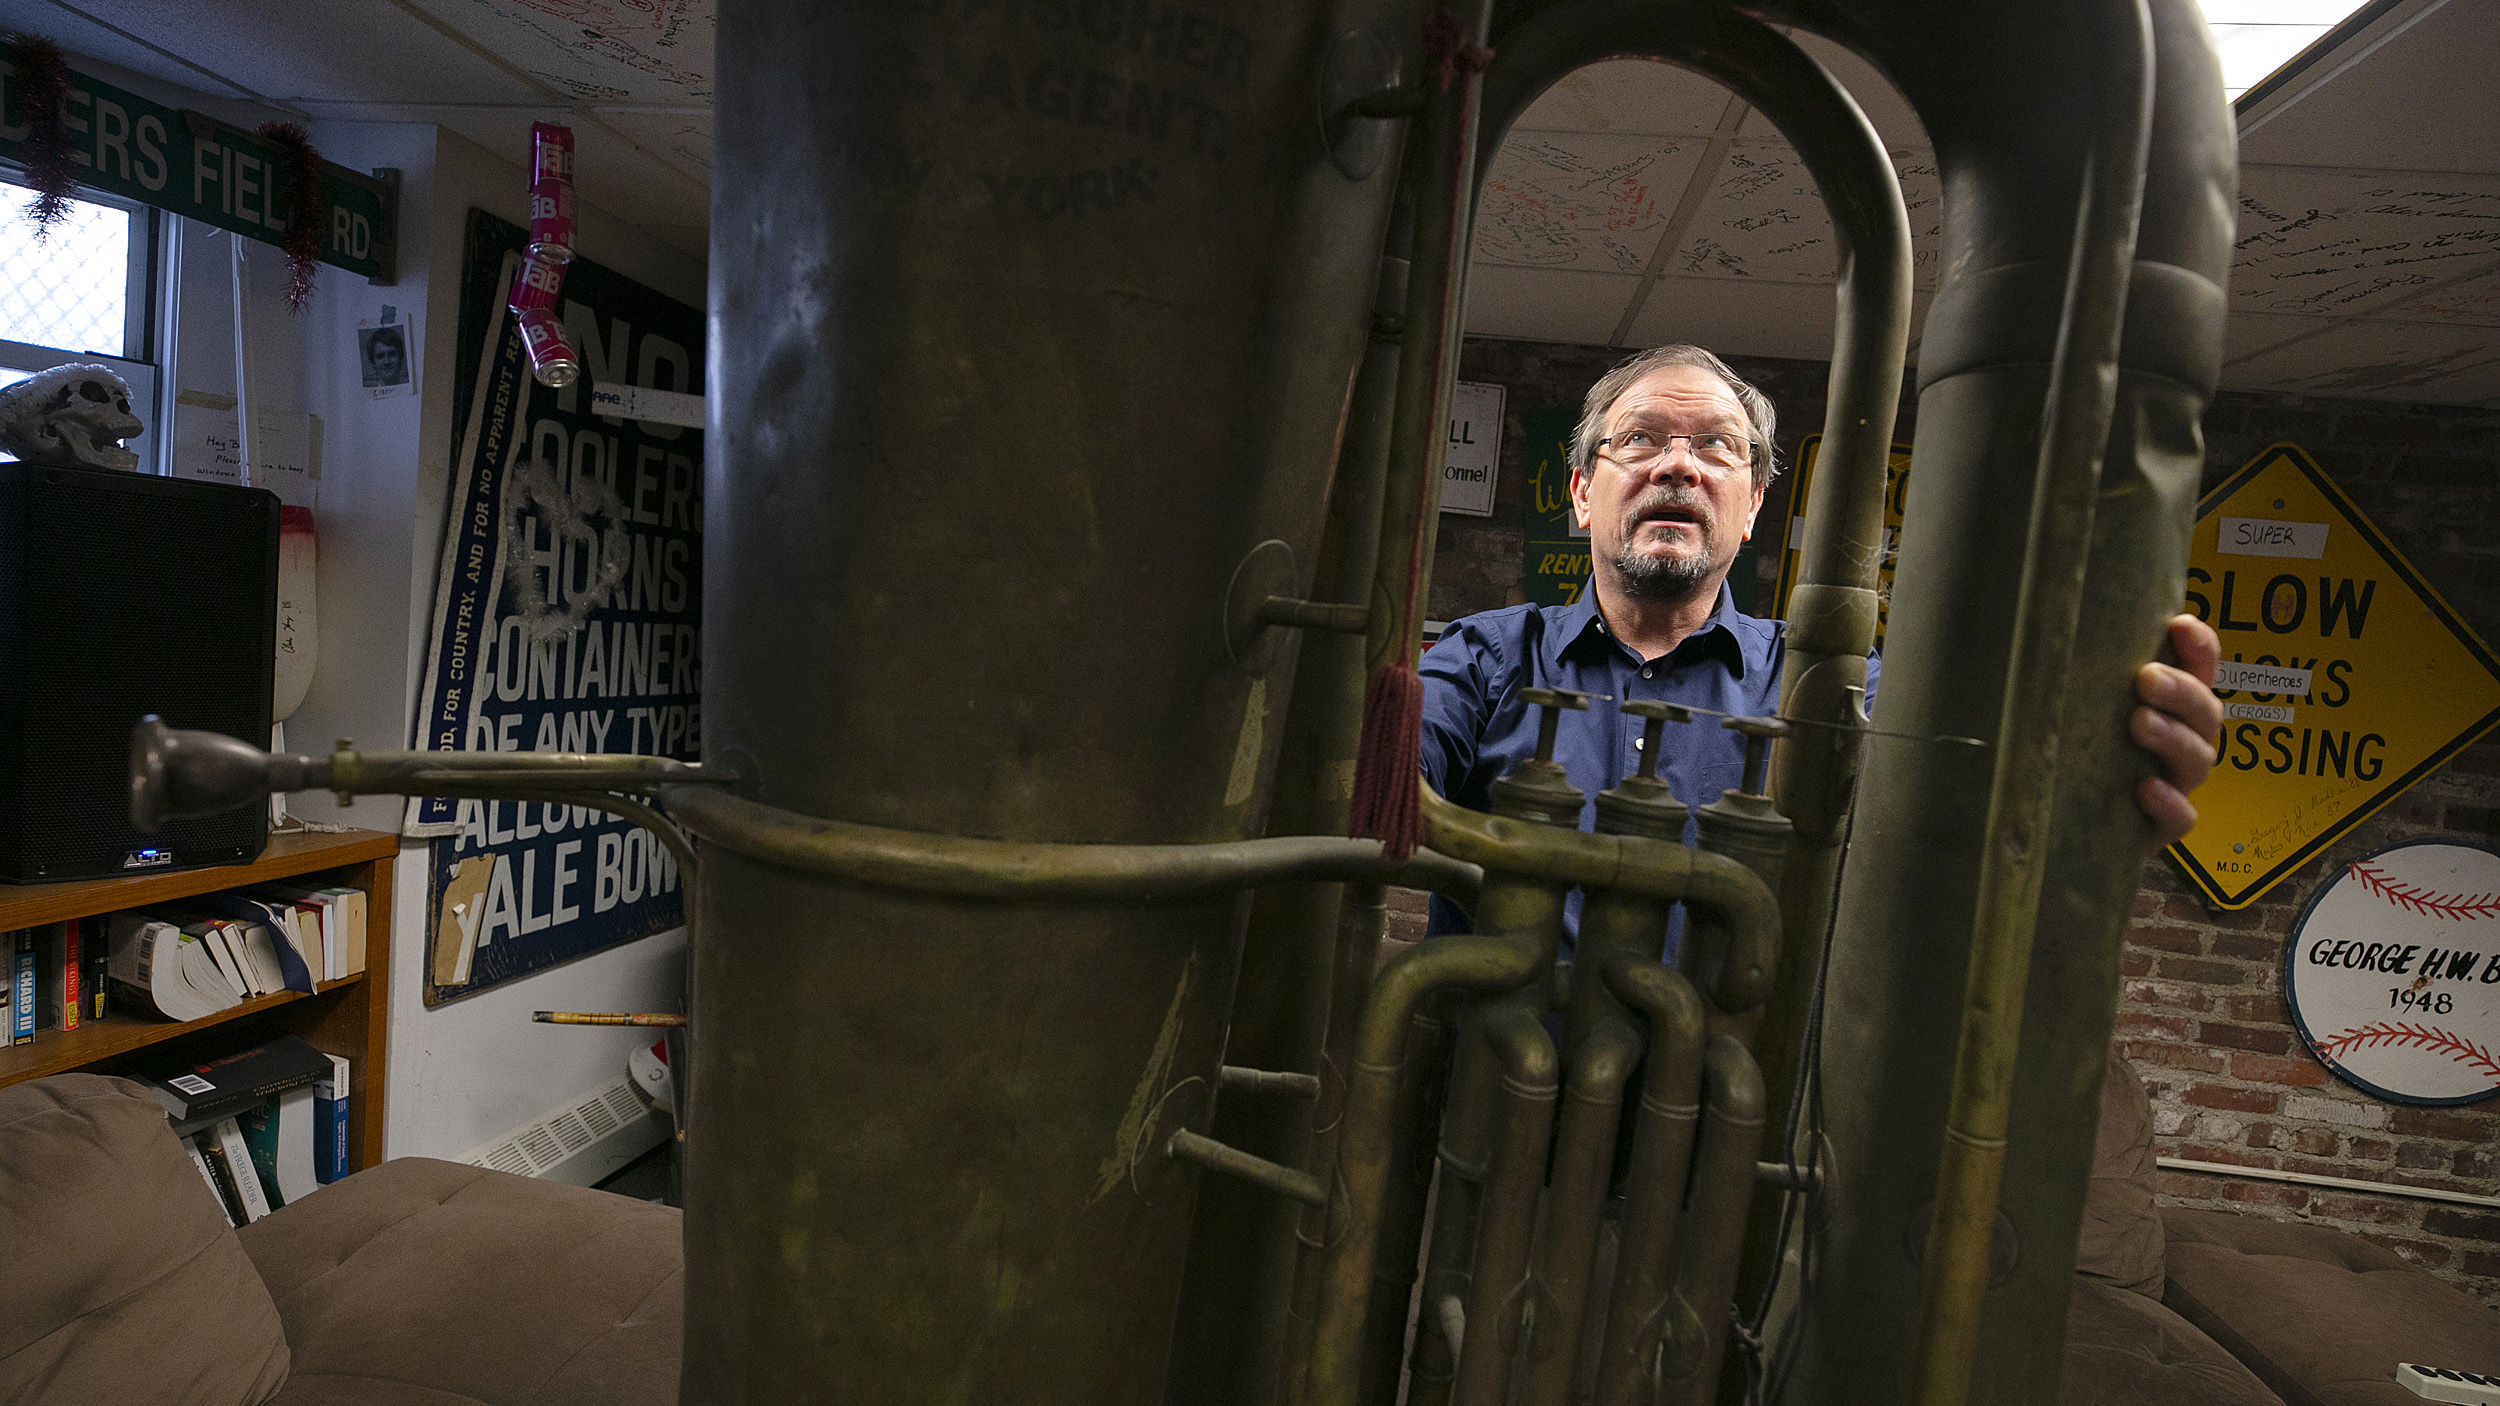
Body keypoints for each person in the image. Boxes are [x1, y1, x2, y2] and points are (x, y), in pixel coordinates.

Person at [1418, 343, 2222, 944]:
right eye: (1639, 439)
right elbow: (1354, 772)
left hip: (1732, 1144)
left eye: (1716, 447)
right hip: (1475, 1137)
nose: (1677, 465)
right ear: (1584, 494)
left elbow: (1976, 827)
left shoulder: (1840, 694)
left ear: (1755, 503)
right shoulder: (1482, 662)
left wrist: (2090, 800)